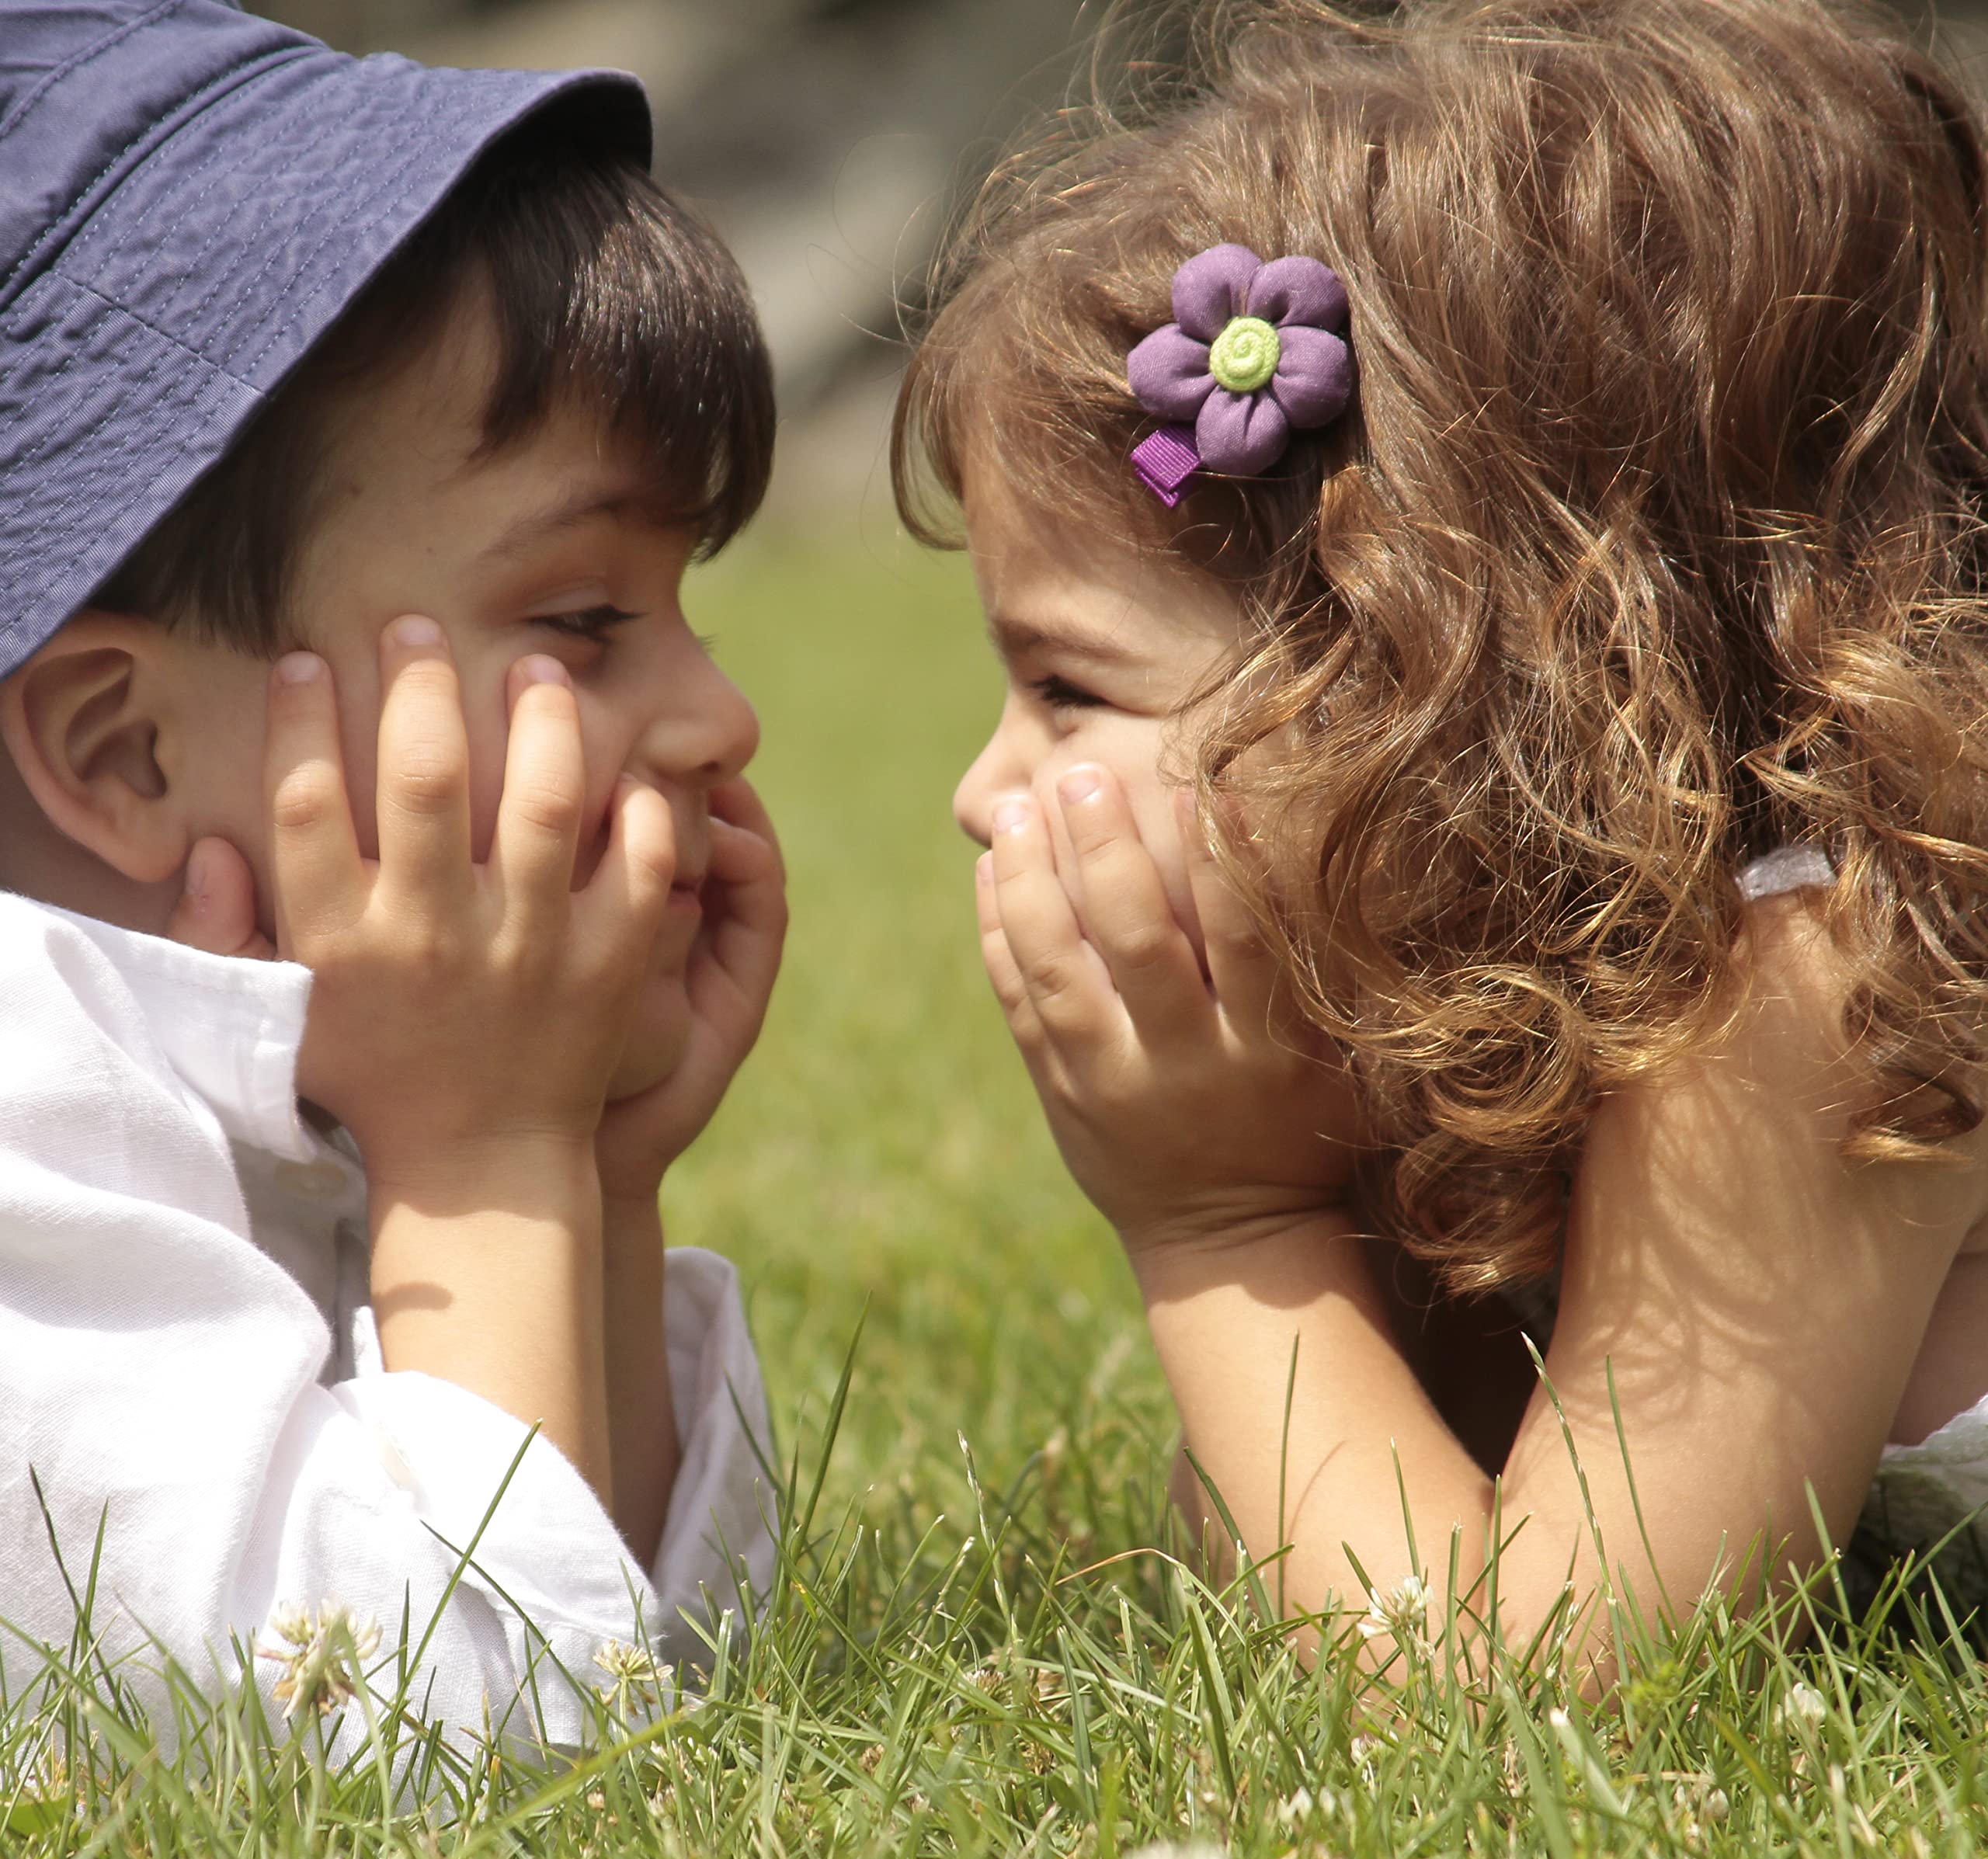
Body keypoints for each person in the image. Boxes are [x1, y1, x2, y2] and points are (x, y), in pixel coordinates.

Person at [895, 0, 1988, 1680]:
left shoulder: (1816, 981)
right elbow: (1320, 1534)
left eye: (1064, 684)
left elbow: (1512, 1689)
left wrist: (1222, 1228)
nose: (984, 788)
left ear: (1437, 693)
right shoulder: (1510, 1036)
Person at [0, 0, 783, 1747]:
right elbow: (443, 1737)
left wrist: (592, 1181)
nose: (719, 716)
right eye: (583, 622)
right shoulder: (30, 1122)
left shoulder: (318, 1074)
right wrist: (487, 1157)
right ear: (127, 749)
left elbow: (653, 1668)